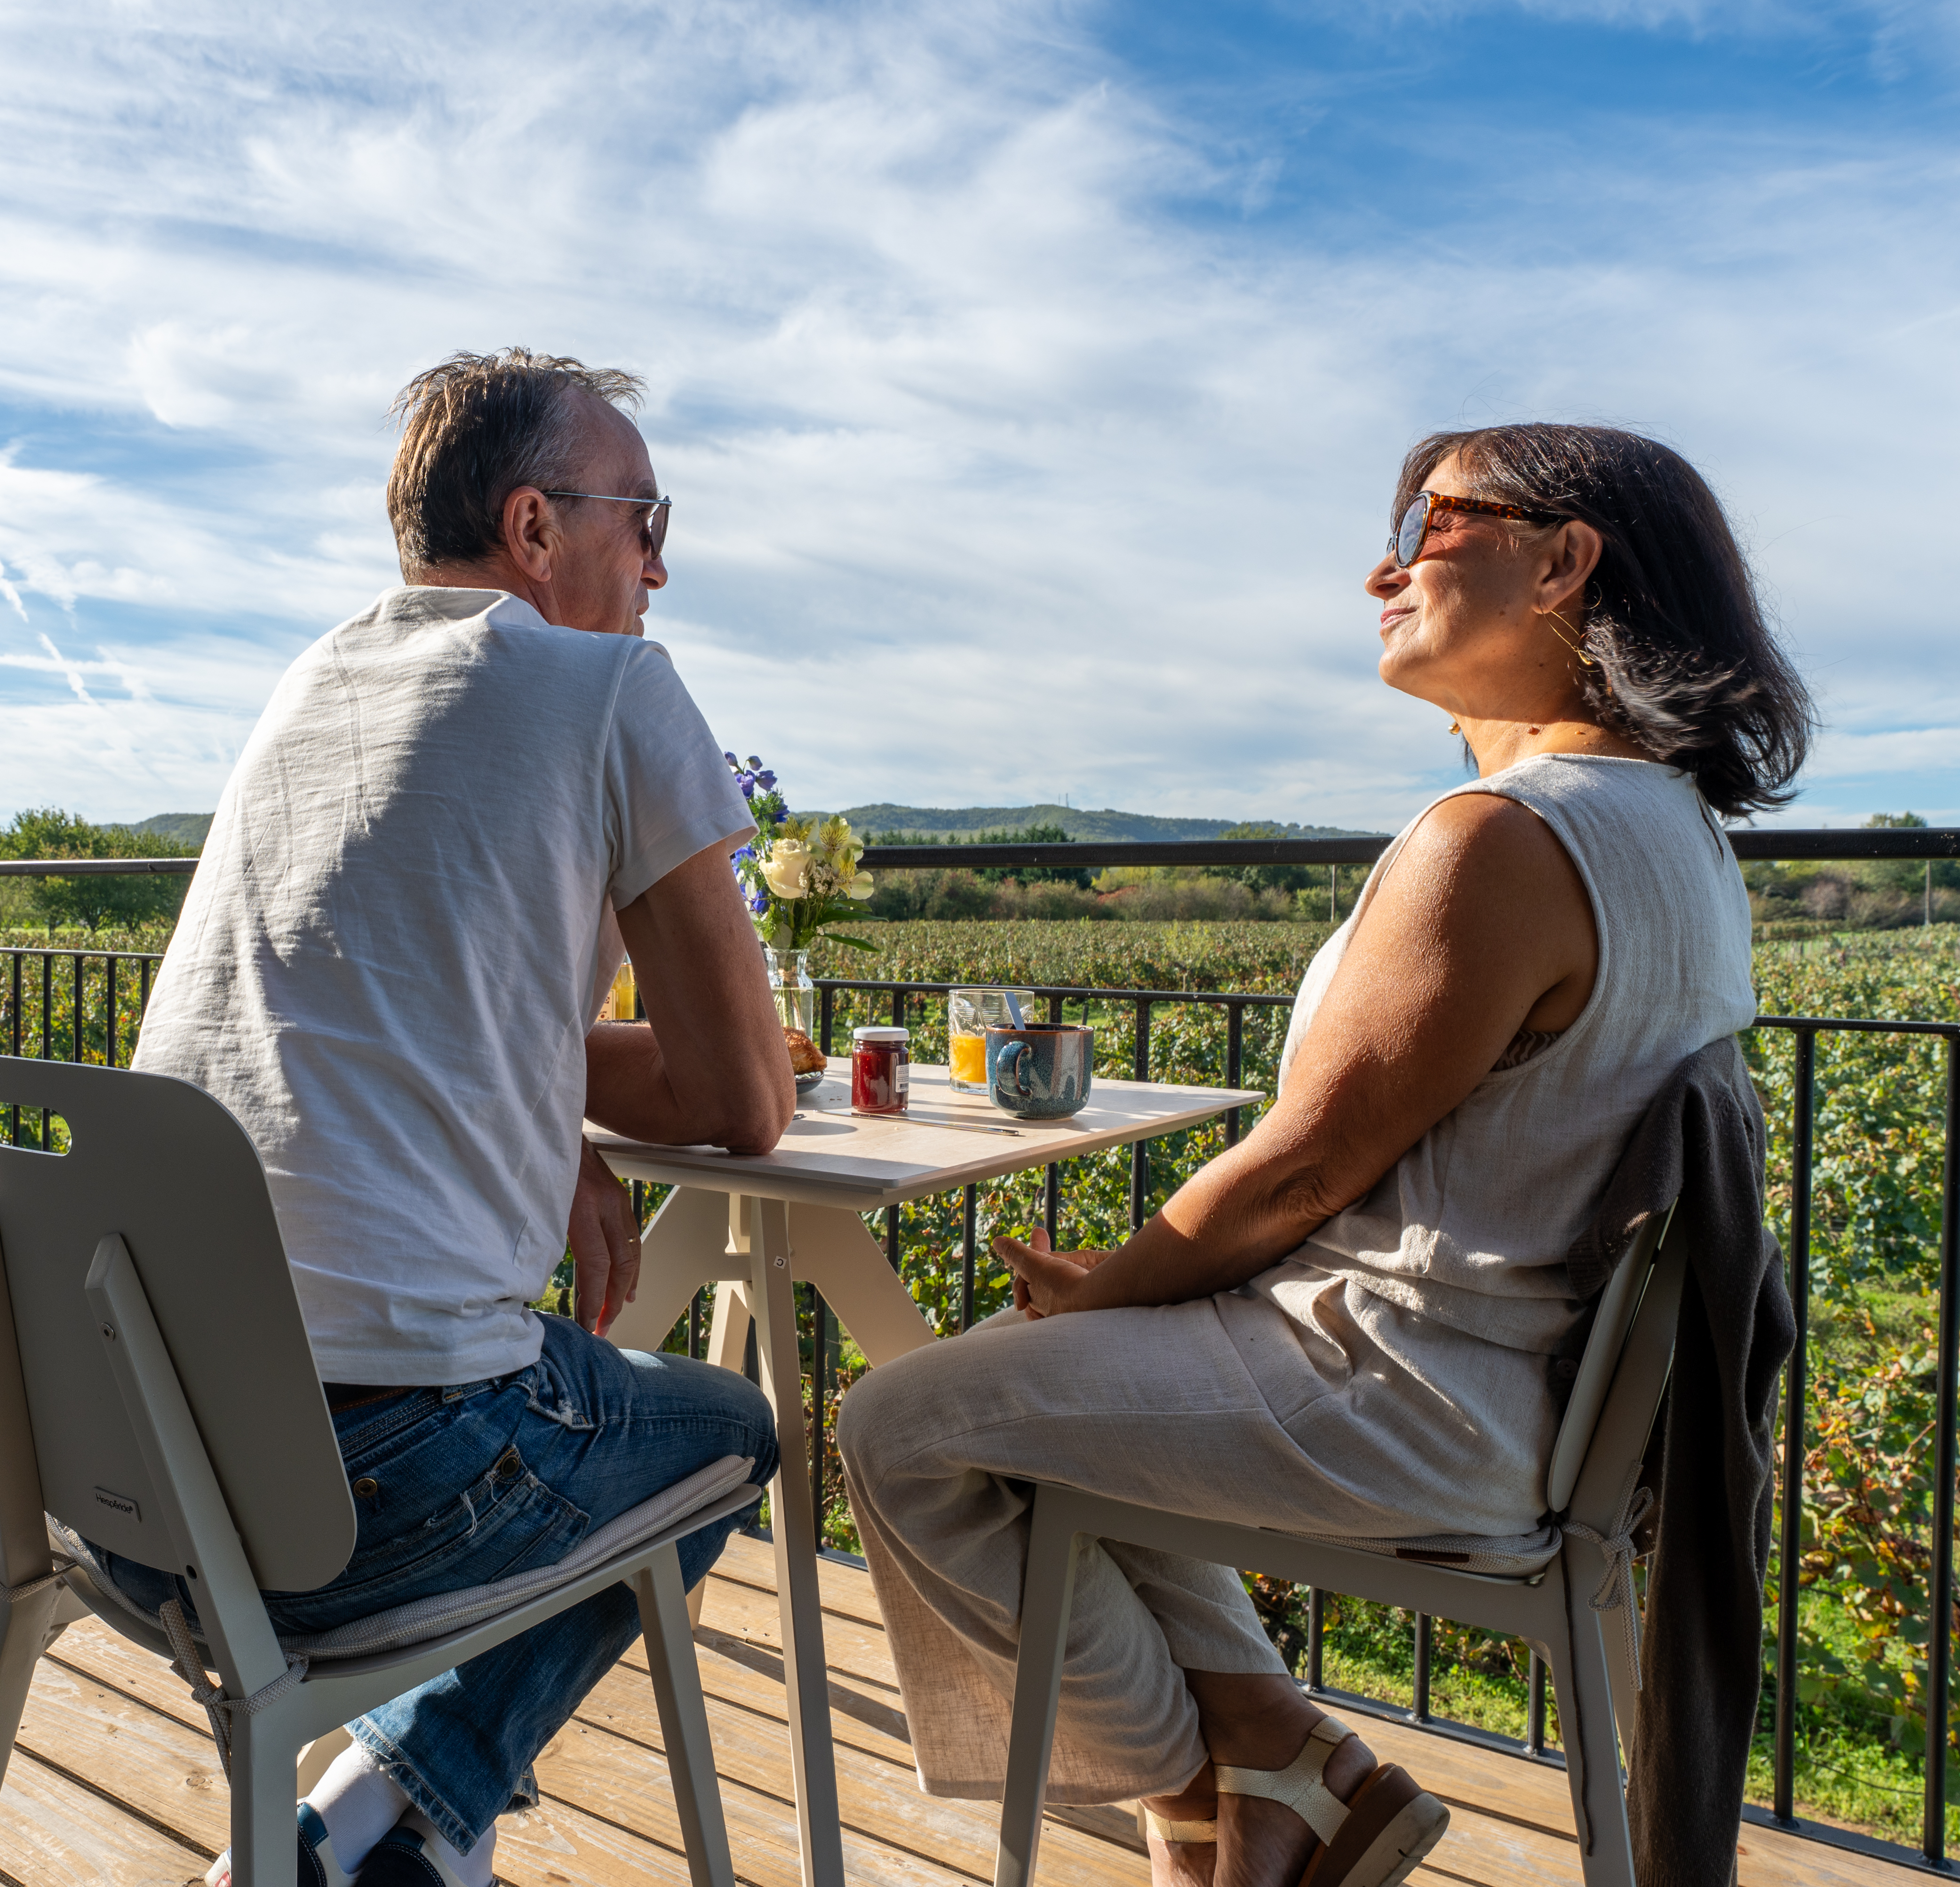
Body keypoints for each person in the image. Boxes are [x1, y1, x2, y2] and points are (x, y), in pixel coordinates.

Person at [837, 423, 1814, 1887]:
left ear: (1562, 562)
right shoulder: (1680, 839)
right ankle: (1288, 1758)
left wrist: (1116, 1283)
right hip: (1521, 1395)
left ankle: (1219, 1789)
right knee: (1031, 1404)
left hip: (1397, 1389)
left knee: (904, 1431)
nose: (1386, 561)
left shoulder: (1501, 840)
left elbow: (1305, 1167)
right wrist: (1129, 1300)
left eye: (1431, 520)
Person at [88, 348, 793, 1887]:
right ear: (536, 528)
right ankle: (417, 1806)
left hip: (118, 1469)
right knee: (734, 1432)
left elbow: (389, 1000)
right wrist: (599, 1096)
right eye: (646, 515)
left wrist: (567, 1113)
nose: (662, 561)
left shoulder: (312, 686)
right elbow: (747, 1100)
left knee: (571, 1382)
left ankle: (369, 1831)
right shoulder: (613, 687)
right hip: (352, 1498)